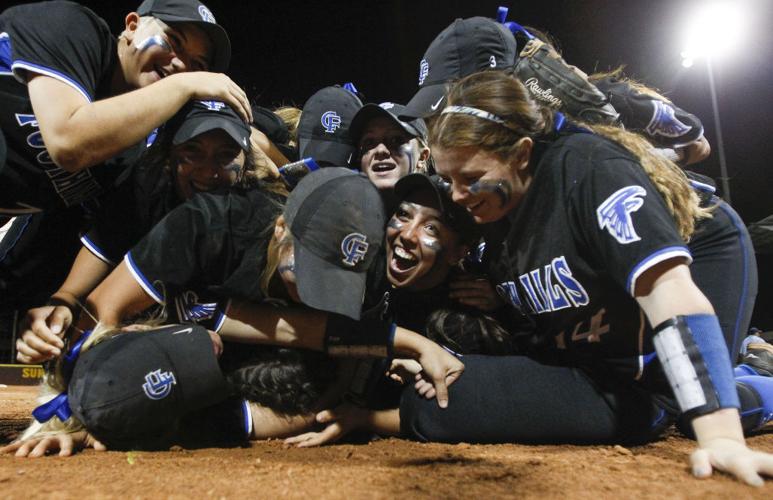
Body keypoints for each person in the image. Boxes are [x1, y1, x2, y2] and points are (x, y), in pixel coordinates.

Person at [394, 70, 773, 485]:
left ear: (522, 154)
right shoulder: (489, 208)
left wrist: (721, 438)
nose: (456, 196)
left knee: (682, 404)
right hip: (615, 290)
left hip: (693, 251)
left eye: (469, 178)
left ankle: (760, 384)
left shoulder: (589, 171)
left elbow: (669, 293)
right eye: (448, 179)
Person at [15, 99, 258, 363]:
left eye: (226, 154)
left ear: (246, 158)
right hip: (144, 340)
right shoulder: (144, 193)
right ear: (169, 155)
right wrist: (53, 318)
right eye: (193, 150)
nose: (209, 169)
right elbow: (72, 295)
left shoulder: (259, 211)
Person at [3, 323, 345, 456]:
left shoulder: (172, 276)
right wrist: (86, 431)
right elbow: (308, 409)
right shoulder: (197, 416)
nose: (210, 354)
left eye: (178, 354)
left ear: (135, 328)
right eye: (188, 375)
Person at [349, 103, 430, 196]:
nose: (380, 150)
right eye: (369, 142)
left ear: (422, 156)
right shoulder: (342, 208)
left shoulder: (445, 207)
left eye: (395, 140)